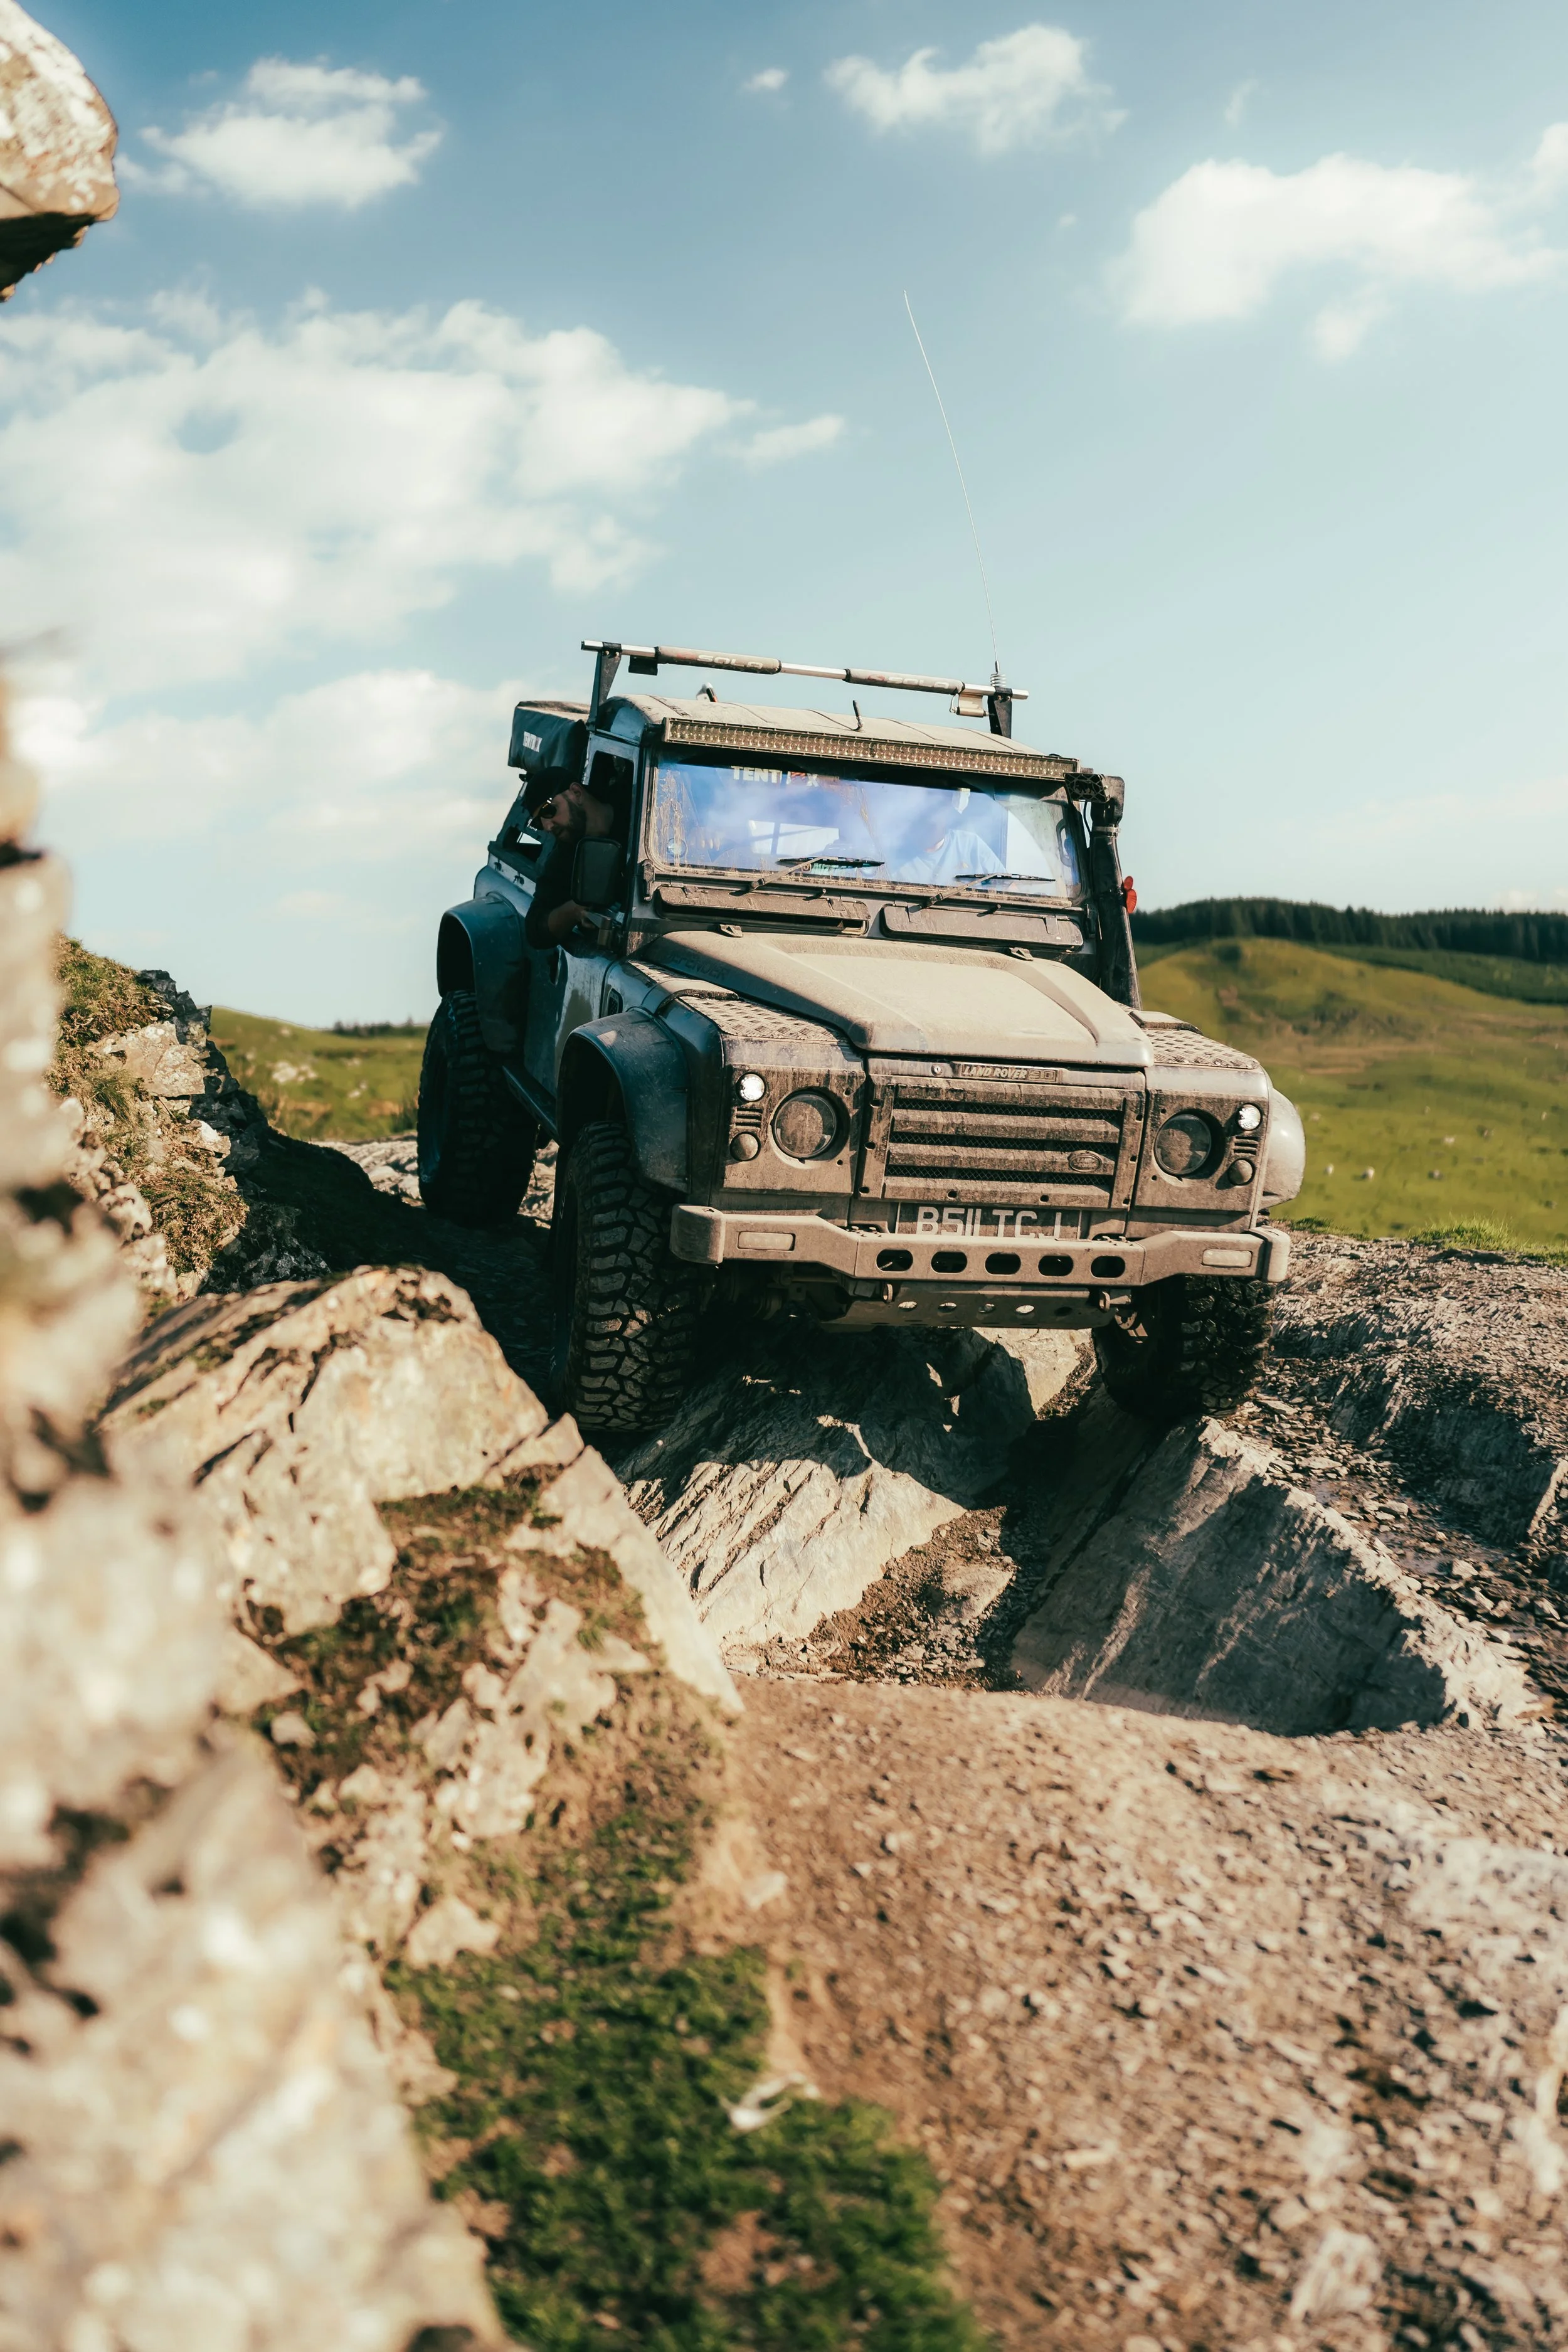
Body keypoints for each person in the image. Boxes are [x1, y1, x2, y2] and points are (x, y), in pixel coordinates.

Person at [524, 768, 621, 948]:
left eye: (548, 810)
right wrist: (574, 911)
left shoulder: (639, 805)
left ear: (577, 793)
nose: (547, 826)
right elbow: (535, 931)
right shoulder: (564, 860)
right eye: (539, 822)